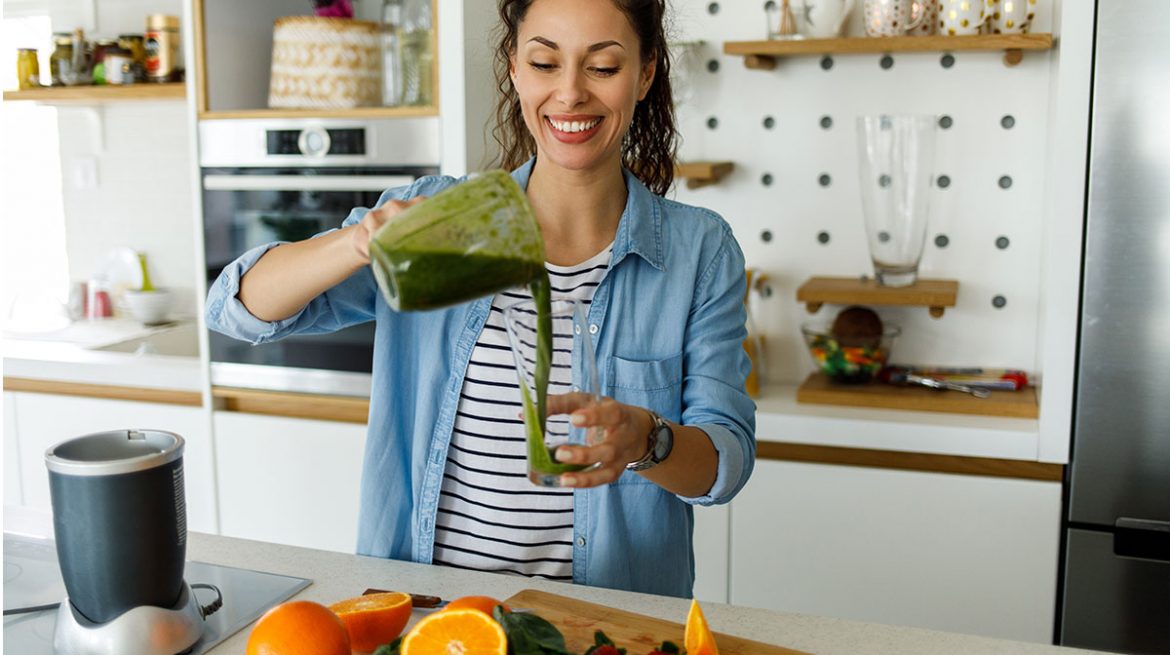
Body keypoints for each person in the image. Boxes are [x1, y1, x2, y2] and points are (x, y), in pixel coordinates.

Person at [206, 0, 755, 598]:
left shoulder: (699, 250)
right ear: (515, 68)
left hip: (605, 627)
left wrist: (650, 440)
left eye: (602, 67)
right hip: (428, 618)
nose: (569, 94)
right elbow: (236, 307)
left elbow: (723, 463)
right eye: (545, 62)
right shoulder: (442, 218)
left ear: (646, 73)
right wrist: (357, 242)